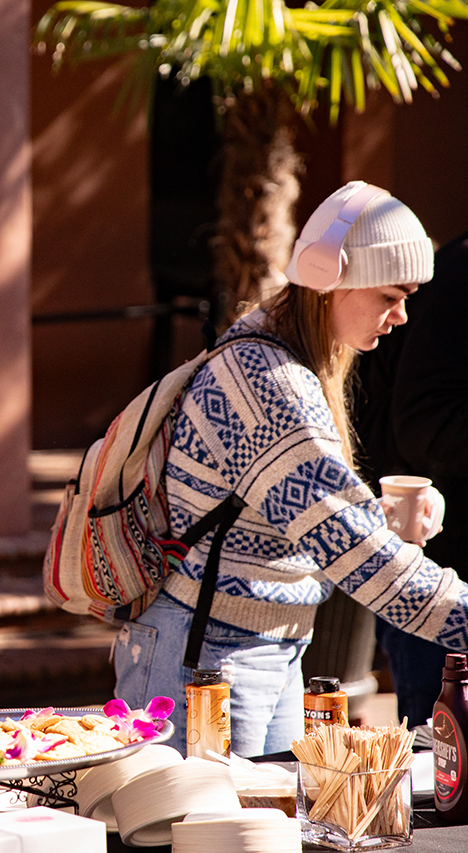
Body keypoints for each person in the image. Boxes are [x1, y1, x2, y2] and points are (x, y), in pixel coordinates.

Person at [113, 181, 468, 757]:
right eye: (389, 295)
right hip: (207, 659)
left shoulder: (274, 351)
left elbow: (294, 517)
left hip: (250, 648)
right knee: (213, 842)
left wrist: (377, 518)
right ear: (332, 279)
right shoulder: (270, 385)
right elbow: (367, 564)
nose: (402, 316)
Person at [355, 229, 468, 726]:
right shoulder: (458, 279)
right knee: (437, 771)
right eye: (392, 300)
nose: (398, 314)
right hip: (431, 570)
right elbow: (423, 420)